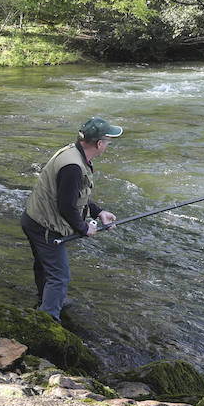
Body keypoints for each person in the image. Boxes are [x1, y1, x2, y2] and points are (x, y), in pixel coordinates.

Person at [20, 116, 122, 321]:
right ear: (100, 143)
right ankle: (48, 322)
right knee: (59, 276)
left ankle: (46, 301)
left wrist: (98, 212)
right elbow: (66, 206)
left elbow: (74, 197)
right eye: (108, 141)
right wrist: (84, 228)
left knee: (44, 265)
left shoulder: (73, 153)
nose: (108, 145)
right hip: (44, 227)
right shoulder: (73, 167)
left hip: (33, 219)